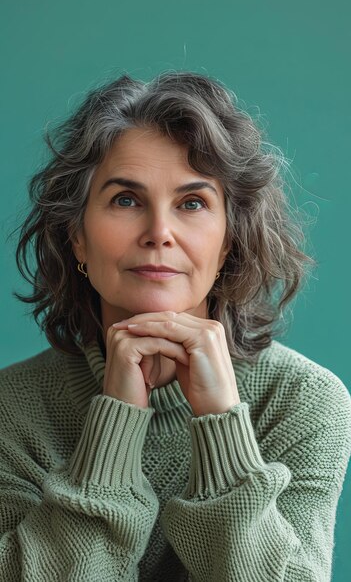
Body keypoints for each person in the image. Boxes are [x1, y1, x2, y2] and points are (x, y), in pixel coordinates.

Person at [1, 71, 350, 582]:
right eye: (126, 200)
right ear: (76, 236)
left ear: (229, 238)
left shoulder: (304, 402)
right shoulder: (12, 408)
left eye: (192, 204)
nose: (159, 233)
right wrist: (115, 421)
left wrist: (222, 424)